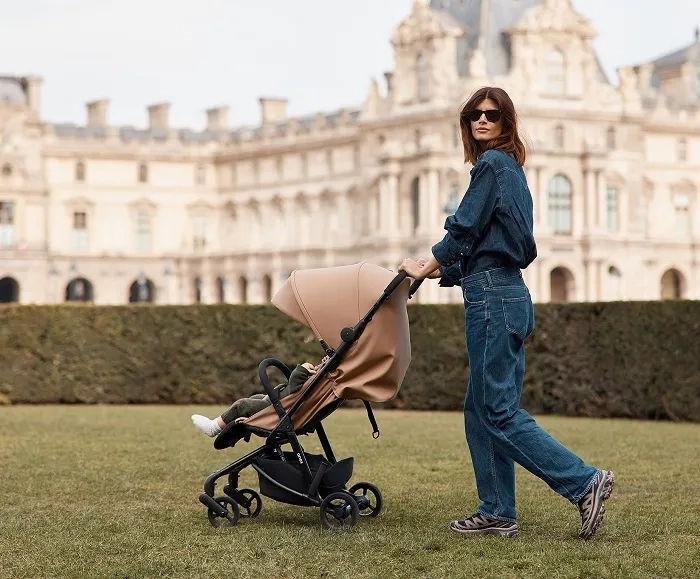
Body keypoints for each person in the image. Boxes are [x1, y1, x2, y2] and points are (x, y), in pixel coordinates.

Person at [399, 87, 614, 540]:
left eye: (491, 114)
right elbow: (489, 243)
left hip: (493, 297)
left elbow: (463, 230)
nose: (481, 120)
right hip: (503, 292)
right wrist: (443, 271)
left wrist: (427, 263)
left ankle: (583, 482)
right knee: (481, 410)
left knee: (495, 411)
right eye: (474, 115)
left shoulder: (493, 165)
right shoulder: (510, 170)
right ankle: (497, 510)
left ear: (506, 122)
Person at [191, 360, 325, 437]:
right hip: (280, 405)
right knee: (256, 398)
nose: (323, 360)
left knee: (242, 405)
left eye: (325, 360)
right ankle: (239, 429)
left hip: (279, 412)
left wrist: (302, 369)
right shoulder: (322, 381)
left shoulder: (321, 379)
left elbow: (295, 388)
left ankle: (213, 428)